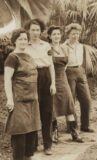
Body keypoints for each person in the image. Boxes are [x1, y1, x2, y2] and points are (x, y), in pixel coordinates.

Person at [4, 29, 41, 160]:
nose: (23, 41)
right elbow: (7, 79)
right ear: (14, 41)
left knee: (31, 132)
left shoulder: (29, 56)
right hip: (19, 99)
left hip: (32, 100)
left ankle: (28, 157)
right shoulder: (12, 58)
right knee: (20, 132)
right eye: (20, 39)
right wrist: (10, 99)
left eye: (25, 39)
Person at [24, 19, 56, 155]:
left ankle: (47, 144)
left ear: (41, 31)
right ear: (28, 31)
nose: (35, 33)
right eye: (33, 30)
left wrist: (53, 83)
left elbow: (51, 65)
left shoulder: (46, 45)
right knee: (32, 111)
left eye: (37, 30)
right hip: (31, 78)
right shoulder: (24, 45)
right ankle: (33, 144)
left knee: (46, 112)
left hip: (45, 77)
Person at [47, 25, 83, 143]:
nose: (57, 36)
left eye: (58, 34)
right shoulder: (47, 48)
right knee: (53, 106)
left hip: (63, 78)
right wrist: (51, 81)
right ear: (50, 36)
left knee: (69, 104)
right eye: (54, 34)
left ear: (61, 35)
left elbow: (66, 64)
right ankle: (54, 133)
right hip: (51, 80)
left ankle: (74, 132)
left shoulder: (64, 48)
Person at [63, 23, 94, 132]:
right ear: (68, 34)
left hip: (80, 71)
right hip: (68, 72)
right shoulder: (63, 46)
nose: (75, 36)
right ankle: (71, 127)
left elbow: (85, 61)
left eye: (77, 34)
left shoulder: (82, 46)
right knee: (70, 100)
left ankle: (85, 126)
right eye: (73, 34)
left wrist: (84, 71)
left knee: (86, 100)